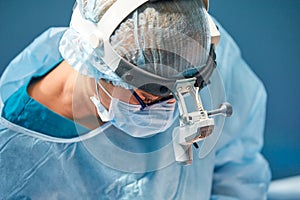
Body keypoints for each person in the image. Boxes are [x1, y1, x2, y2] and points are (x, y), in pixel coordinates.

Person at [0, 0, 271, 199]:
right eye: (147, 98)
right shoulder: (16, 162)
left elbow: (239, 177)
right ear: (94, 63)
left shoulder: (187, 47)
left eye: (184, 95)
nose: (172, 111)